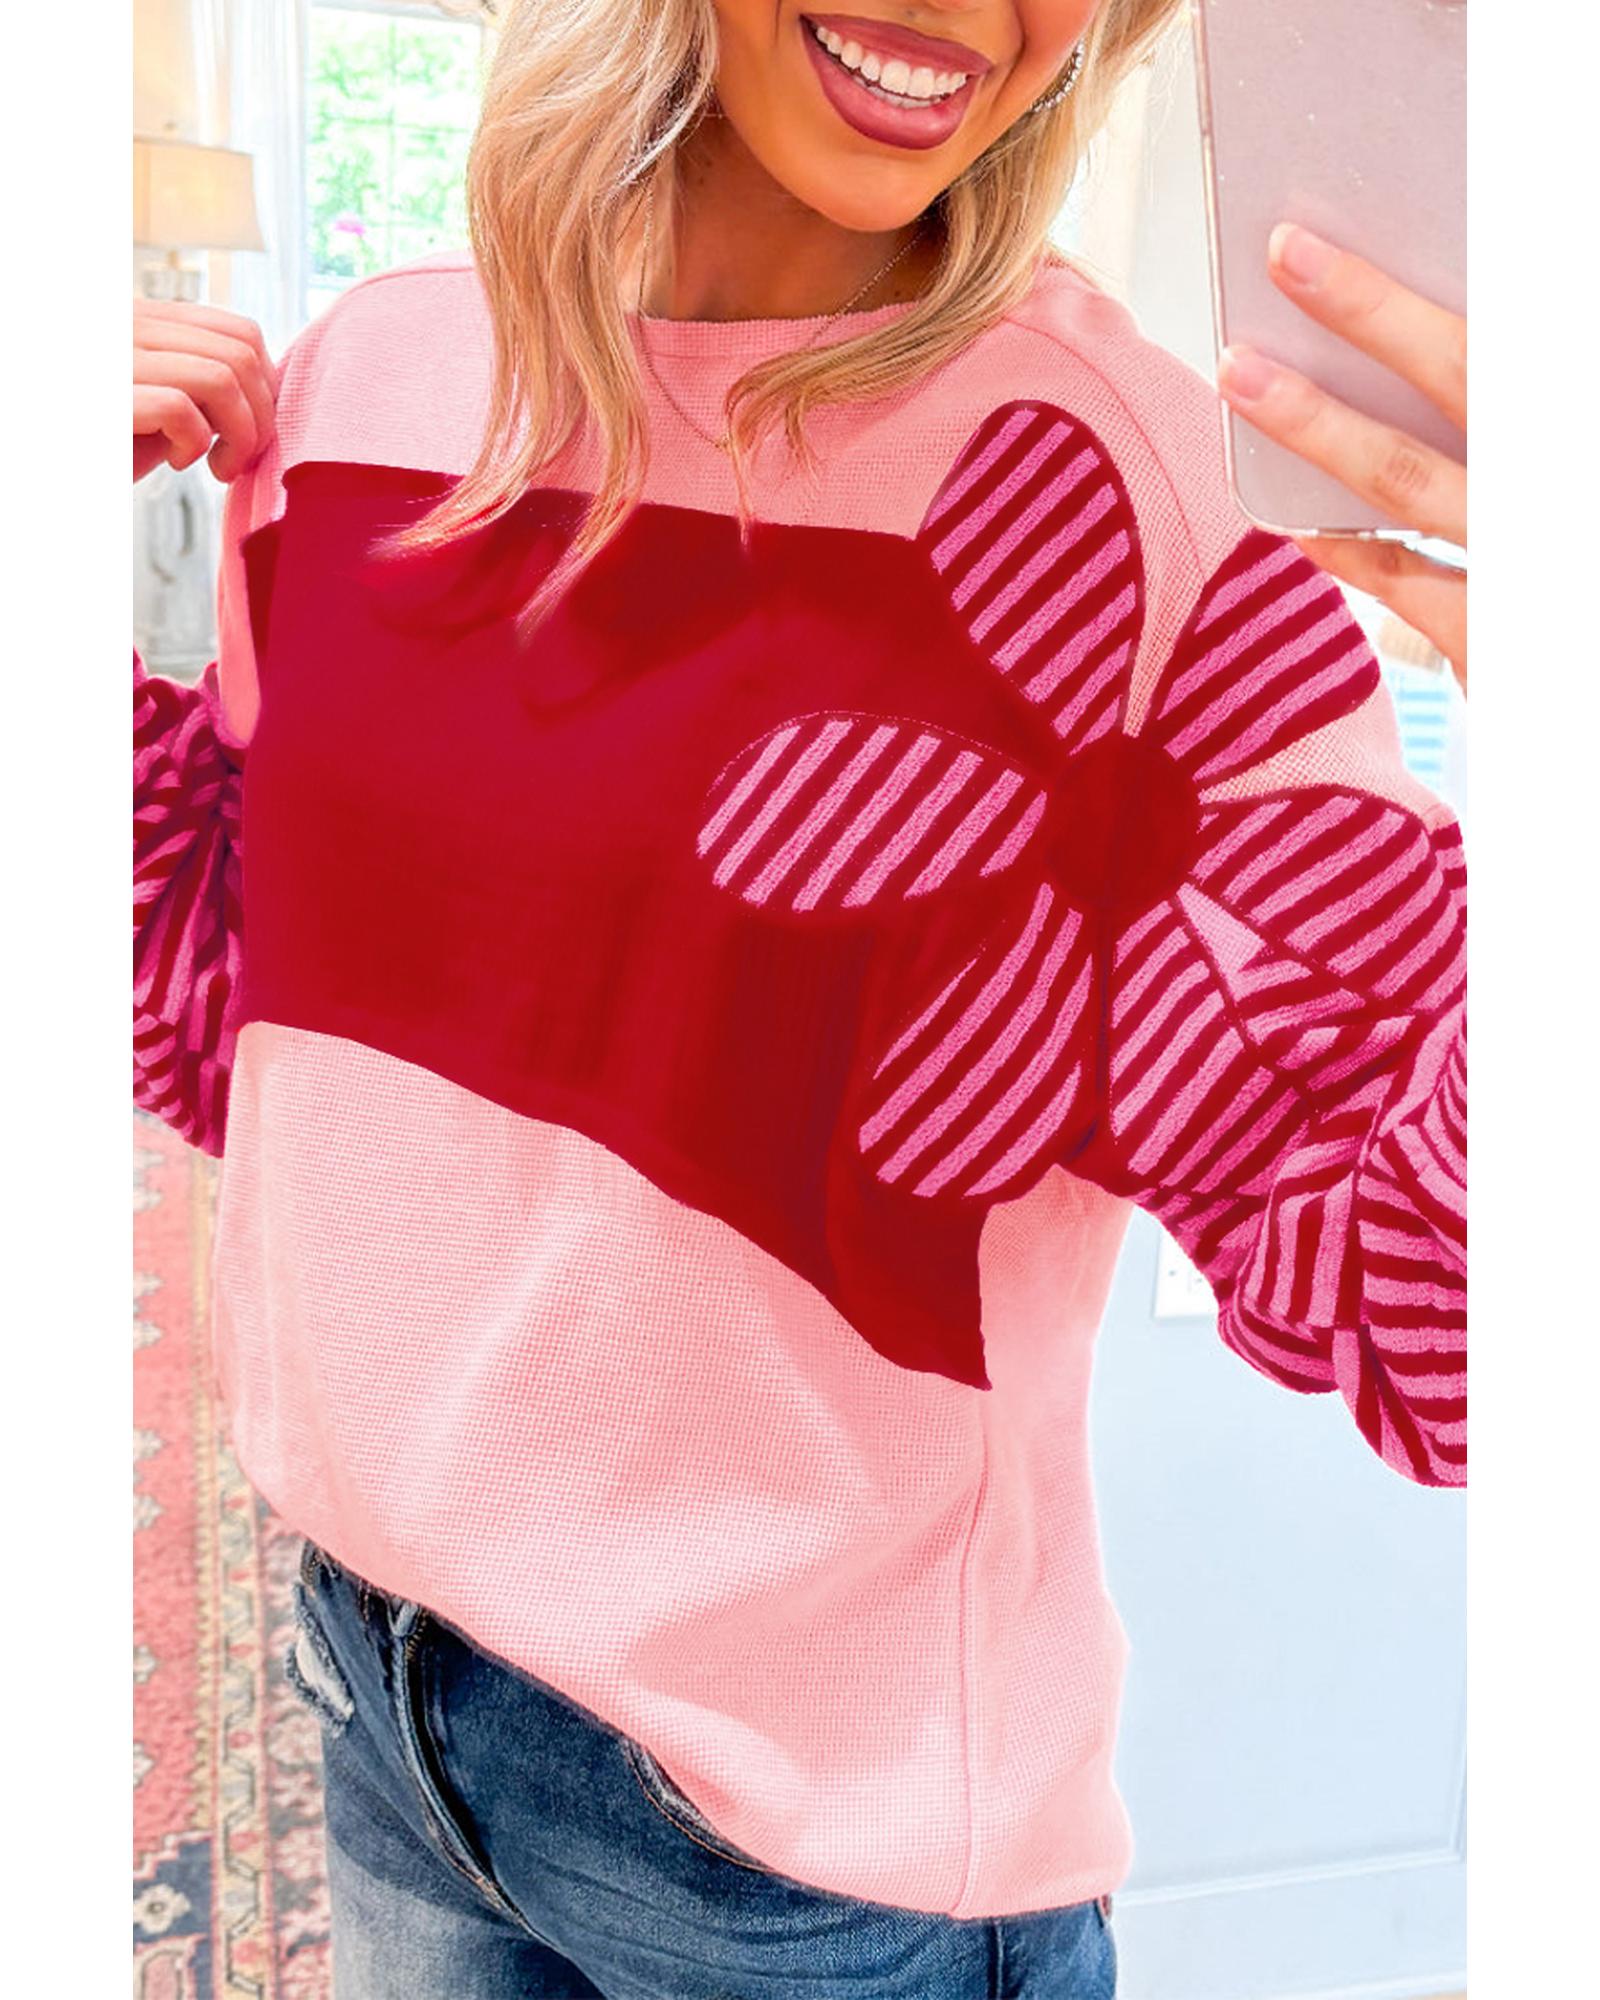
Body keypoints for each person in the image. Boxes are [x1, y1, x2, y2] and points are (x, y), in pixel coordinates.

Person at [131, 3, 1466, 1995]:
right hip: (385, 1696)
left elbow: (1438, 1323)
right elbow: (241, 1034)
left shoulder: (1118, 495)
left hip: (806, 1882)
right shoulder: (361, 385)